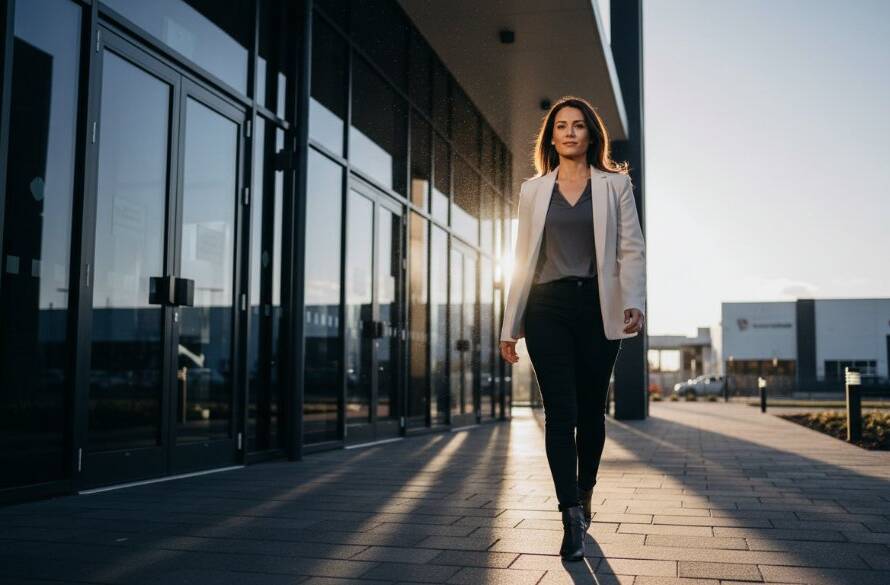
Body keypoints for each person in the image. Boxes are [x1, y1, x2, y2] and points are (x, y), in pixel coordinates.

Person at [499, 96, 646, 561]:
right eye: (560, 126)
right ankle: (570, 514)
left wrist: (634, 301)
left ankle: (585, 490)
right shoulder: (533, 190)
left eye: (578, 125)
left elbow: (631, 248)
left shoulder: (615, 185)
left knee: (590, 412)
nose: (569, 132)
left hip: (598, 307)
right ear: (551, 137)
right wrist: (510, 324)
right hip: (547, 308)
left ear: (590, 134)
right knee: (560, 413)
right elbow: (521, 258)